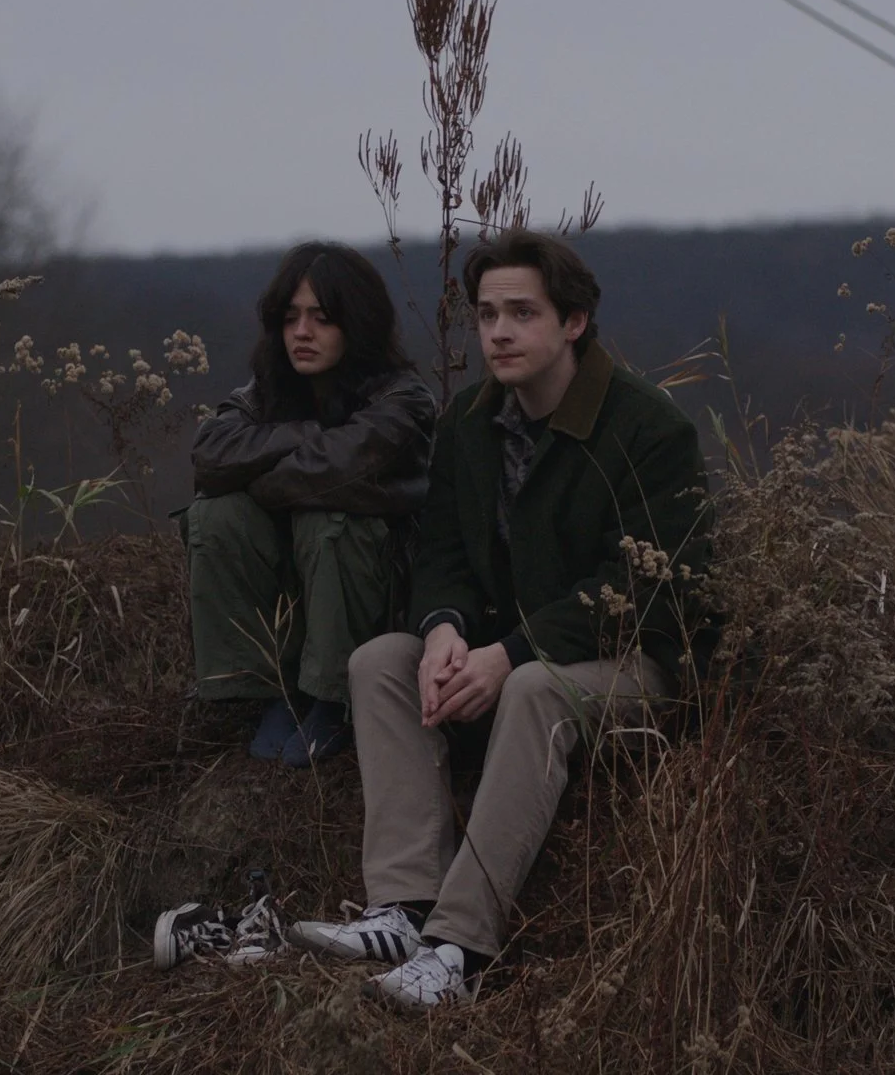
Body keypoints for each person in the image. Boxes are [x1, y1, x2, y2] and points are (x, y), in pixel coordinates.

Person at [287, 230, 714, 1006]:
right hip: (509, 650)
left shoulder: (650, 430)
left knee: (533, 691)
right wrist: (446, 630)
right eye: (486, 315)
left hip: (631, 667)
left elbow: (654, 587)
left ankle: (457, 948)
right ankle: (403, 907)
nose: (499, 332)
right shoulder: (471, 425)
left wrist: (511, 653)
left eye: (522, 312)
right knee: (381, 660)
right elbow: (442, 551)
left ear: (573, 322)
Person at [186, 243, 436, 767]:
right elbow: (210, 455)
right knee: (217, 514)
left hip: (381, 592)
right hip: (298, 585)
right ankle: (269, 686)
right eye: (292, 317)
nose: (302, 332)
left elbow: (326, 475)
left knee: (327, 516)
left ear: (357, 324)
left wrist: (258, 470)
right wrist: (310, 430)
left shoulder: (402, 400)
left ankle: (332, 697)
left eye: (322, 318)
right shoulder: (266, 391)